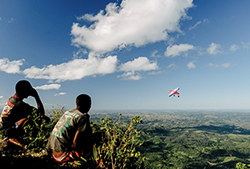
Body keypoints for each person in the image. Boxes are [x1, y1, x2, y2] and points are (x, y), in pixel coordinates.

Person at [47, 94, 94, 164]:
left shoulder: (68, 112)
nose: (90, 106)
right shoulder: (81, 117)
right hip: (62, 156)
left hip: (53, 152)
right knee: (95, 138)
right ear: (85, 105)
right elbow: (75, 143)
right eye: (89, 104)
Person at [0, 80, 48, 147]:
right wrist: (37, 97)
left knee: (27, 119)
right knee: (31, 120)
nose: (29, 92)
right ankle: (16, 139)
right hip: (8, 131)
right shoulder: (20, 105)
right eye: (28, 90)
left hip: (4, 128)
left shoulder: (12, 99)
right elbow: (40, 114)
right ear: (24, 91)